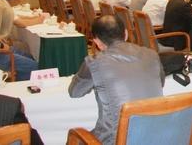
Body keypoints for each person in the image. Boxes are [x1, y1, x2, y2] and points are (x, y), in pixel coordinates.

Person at [69, 16, 164, 145]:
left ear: (97, 42)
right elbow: (161, 83)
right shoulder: (152, 54)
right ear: (125, 33)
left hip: (117, 139)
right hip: (156, 135)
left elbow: (75, 92)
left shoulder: (94, 62)